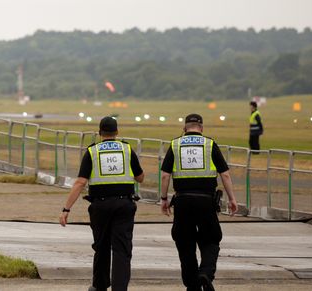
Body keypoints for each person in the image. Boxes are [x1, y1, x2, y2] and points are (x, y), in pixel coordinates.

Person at [59, 116, 144, 291]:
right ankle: (120, 288)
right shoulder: (127, 149)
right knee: (122, 250)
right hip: (124, 205)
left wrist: (66, 208)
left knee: (101, 247)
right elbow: (140, 177)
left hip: (101, 206)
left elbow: (80, 182)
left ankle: (99, 285)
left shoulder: (92, 152)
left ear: (100, 133)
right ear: (117, 132)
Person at [160, 113, 239, 291]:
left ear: (184, 128)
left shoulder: (175, 144)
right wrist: (232, 199)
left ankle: (192, 284)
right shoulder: (209, 144)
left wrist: (164, 199)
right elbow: (225, 174)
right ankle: (205, 273)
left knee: (184, 242)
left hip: (182, 201)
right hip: (206, 201)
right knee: (211, 239)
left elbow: (165, 175)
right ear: (201, 128)